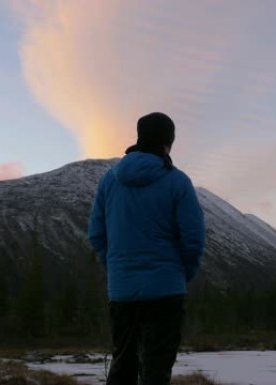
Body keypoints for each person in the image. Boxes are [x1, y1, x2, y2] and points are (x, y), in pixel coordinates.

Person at [88, 112, 205, 385]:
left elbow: (96, 234)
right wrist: (181, 273)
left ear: (139, 138)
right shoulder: (177, 181)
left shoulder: (109, 181)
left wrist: (117, 267)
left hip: (122, 291)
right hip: (166, 290)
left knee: (122, 366)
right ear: (168, 142)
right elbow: (193, 238)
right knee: (156, 371)